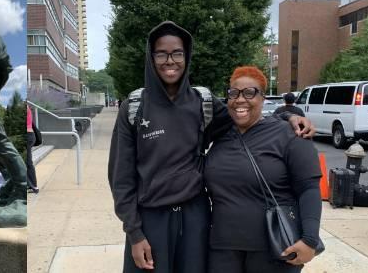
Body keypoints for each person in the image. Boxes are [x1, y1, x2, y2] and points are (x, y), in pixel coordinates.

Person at [111, 21, 315, 272]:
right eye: (161, 54)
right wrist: (134, 232)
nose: (169, 60)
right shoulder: (134, 106)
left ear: (186, 56)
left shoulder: (202, 102)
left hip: (195, 217)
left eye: (177, 53)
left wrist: (287, 117)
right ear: (151, 58)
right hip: (150, 219)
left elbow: (244, 114)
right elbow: (120, 177)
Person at [203, 67, 322, 271]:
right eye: (234, 93)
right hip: (222, 250)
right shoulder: (220, 133)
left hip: (275, 250)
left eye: (250, 93)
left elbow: (309, 189)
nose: (240, 99)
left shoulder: (290, 135)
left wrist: (309, 240)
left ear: (263, 98)